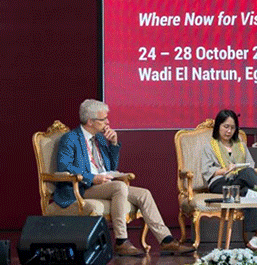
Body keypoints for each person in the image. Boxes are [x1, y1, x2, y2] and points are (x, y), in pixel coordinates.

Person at [55, 100, 195, 256]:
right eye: (103, 119)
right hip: (83, 187)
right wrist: (92, 178)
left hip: (104, 184)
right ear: (90, 121)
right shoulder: (71, 139)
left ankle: (166, 241)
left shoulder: (100, 138)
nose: (107, 122)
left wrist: (114, 144)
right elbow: (64, 167)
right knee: (119, 187)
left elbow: (111, 166)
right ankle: (121, 241)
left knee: (144, 194)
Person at [200, 109, 257, 250]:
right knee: (250, 184)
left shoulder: (240, 145)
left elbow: (250, 165)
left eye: (232, 127)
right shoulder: (209, 147)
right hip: (219, 183)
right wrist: (223, 170)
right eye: (226, 126)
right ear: (218, 126)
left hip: (237, 181)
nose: (229, 131)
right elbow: (206, 171)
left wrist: (240, 170)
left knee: (250, 191)